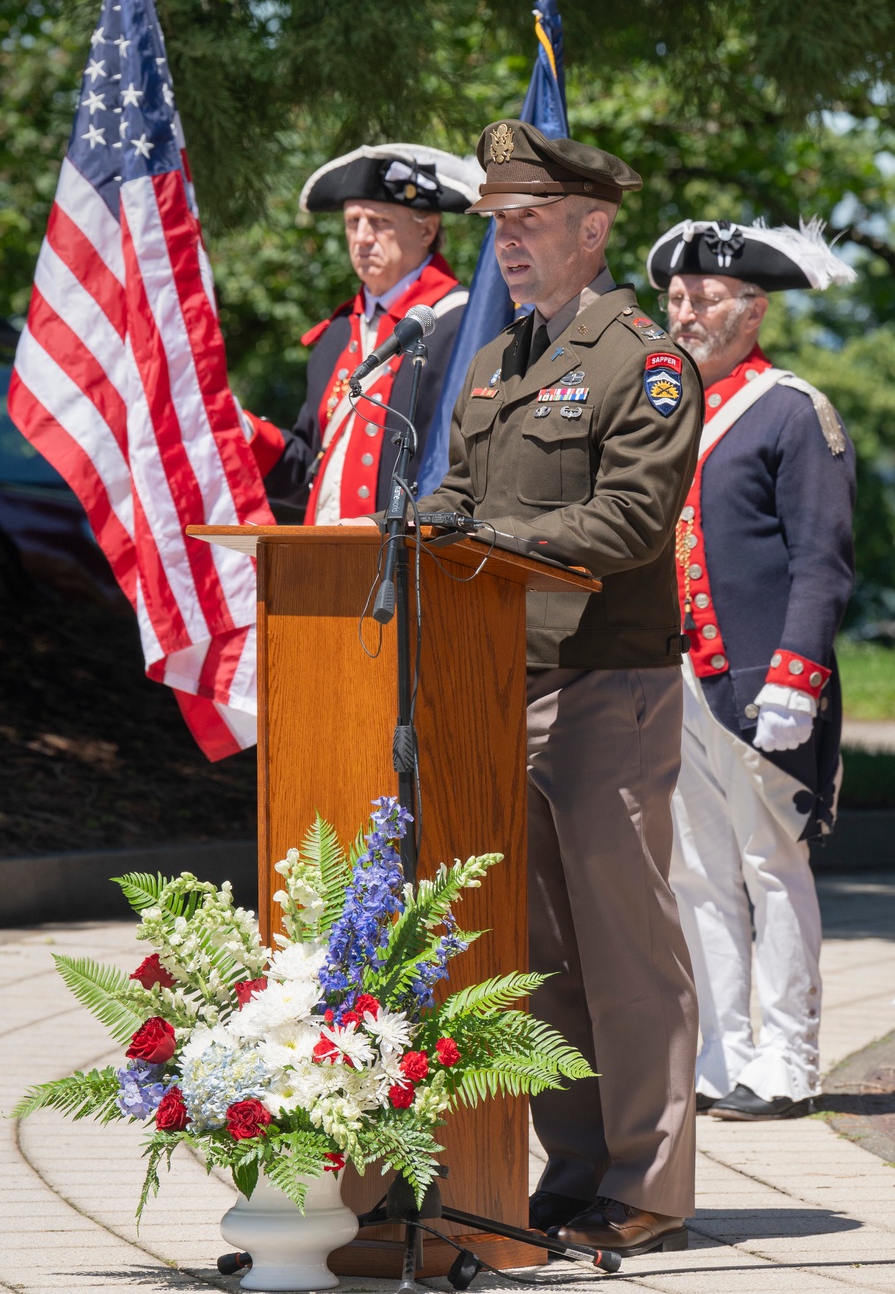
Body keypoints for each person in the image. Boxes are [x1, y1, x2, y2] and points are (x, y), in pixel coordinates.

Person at [351, 120, 705, 1255]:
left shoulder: (640, 360)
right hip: (499, 680)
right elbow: (456, 490)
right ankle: (577, 1167)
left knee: (625, 947)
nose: (506, 241)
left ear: (593, 228)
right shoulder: (502, 361)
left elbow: (629, 520)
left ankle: (648, 1184)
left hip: (607, 684)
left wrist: (485, 531)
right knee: (541, 949)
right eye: (497, 223)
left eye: (531, 221)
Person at [646, 216, 856, 1122]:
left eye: (705, 299)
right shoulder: (665, 411)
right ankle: (723, 1056)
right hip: (676, 677)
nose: (686, 313)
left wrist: (796, 677)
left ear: (753, 309)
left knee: (774, 867)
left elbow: (823, 559)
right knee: (696, 872)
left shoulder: (791, 409)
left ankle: (789, 1063)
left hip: (764, 687)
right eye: (677, 298)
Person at [243, 145, 480, 522]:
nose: (362, 237)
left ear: (427, 229)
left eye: (380, 221)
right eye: (353, 222)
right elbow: (310, 474)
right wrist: (245, 431)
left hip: (415, 559)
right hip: (328, 558)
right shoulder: (337, 334)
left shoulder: (465, 324)